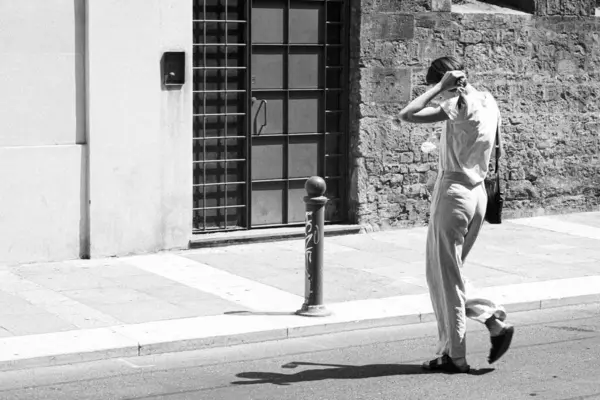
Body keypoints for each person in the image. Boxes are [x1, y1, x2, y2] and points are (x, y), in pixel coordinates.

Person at [399, 56, 514, 373]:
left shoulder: (458, 104)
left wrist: (439, 87)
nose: (436, 94)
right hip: (478, 193)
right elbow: (499, 148)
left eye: (436, 87)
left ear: (446, 83)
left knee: (444, 276)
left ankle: (459, 353)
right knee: (449, 273)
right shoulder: (488, 100)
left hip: (454, 193)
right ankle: (486, 327)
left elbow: (406, 114)